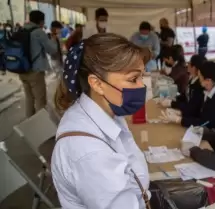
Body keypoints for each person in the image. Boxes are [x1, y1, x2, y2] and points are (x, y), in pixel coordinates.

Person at [52, 33, 153, 209]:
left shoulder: (103, 112)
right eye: (133, 79)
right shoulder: (90, 155)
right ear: (97, 84)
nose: (142, 86)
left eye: (141, 77)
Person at [160, 61, 215, 130]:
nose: (199, 80)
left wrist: (179, 119)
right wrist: (180, 113)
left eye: (200, 77)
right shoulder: (211, 89)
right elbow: (197, 112)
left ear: (208, 80)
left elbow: (204, 122)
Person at [20, 10, 58, 117]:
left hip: (22, 70)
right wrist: (54, 39)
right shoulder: (38, 32)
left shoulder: (22, 29)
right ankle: (40, 129)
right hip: (35, 71)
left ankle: (29, 123)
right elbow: (52, 50)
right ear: (41, 21)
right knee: (40, 101)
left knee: (29, 98)